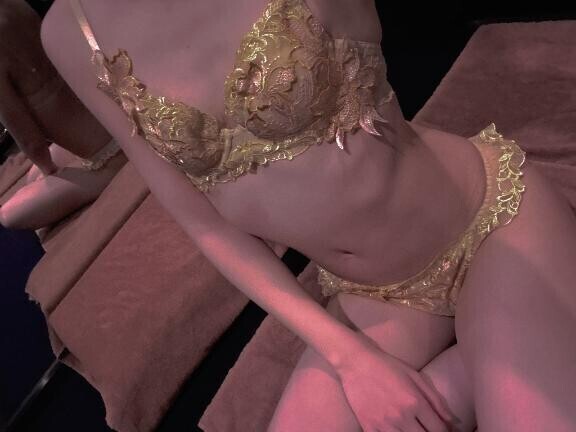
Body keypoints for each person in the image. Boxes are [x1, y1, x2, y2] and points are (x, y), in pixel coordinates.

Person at [40, 0, 576, 430]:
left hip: (486, 223)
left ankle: (501, 349)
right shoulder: (69, 32)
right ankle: (488, 362)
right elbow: (202, 221)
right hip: (372, 294)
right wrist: (349, 356)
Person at [0, 0, 126, 231]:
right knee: (33, 176)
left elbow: (30, 140)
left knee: (8, 215)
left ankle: (114, 169)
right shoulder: (13, 5)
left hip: (112, 151)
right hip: (114, 112)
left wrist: (51, 172)